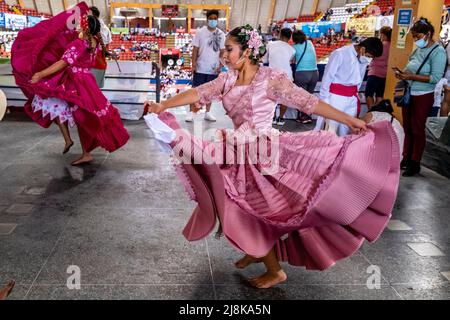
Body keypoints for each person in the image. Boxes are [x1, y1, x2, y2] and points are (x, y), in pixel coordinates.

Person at [144, 25, 400, 289]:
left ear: (247, 51)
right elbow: (199, 91)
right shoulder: (228, 79)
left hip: (265, 153)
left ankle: (273, 268)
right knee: (244, 205)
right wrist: (163, 104)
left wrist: (349, 119)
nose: (225, 54)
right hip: (238, 150)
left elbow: (307, 102)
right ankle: (257, 249)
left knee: (251, 210)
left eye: (230, 49)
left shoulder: (270, 78)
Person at [11, 2, 129, 165]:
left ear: (85, 27)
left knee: (77, 113)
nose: (77, 25)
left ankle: (82, 150)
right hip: (86, 81)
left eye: (81, 23)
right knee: (82, 114)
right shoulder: (93, 41)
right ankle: (78, 146)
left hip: (76, 83)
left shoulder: (79, 43)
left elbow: (62, 63)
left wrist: (40, 74)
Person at [394, 18, 446, 176]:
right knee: (407, 127)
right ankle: (406, 157)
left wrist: (412, 77)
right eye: (414, 36)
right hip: (409, 92)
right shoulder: (417, 50)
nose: (416, 39)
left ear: (428, 34)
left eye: (418, 36)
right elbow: (411, 65)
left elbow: (435, 77)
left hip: (423, 95)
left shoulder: (438, 52)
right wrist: (402, 74)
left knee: (417, 129)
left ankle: (415, 162)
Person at [315, 37, 383, 136]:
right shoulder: (340, 53)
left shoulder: (363, 59)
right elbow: (328, 76)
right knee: (331, 128)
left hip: (352, 97)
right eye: (369, 56)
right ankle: (328, 150)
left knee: (348, 129)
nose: (369, 59)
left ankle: (345, 150)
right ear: (363, 49)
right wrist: (324, 99)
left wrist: (355, 94)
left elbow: (358, 80)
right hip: (336, 97)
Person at [186, 9, 225, 122]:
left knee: (210, 92)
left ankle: (207, 112)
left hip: (213, 69)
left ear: (217, 20)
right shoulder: (200, 32)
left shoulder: (221, 34)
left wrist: (220, 65)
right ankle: (191, 113)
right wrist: (193, 64)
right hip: (200, 67)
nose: (213, 20)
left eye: (215, 19)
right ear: (207, 19)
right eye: (211, 18)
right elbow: (195, 49)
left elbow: (222, 51)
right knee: (195, 91)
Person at [263, 28, 295, 126]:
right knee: (284, 99)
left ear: (280, 34)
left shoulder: (270, 44)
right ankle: (280, 119)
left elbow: (264, 60)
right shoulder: (292, 49)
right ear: (290, 37)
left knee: (271, 98)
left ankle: (272, 118)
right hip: (287, 76)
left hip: (273, 75)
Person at [292, 30, 318, 124]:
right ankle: (308, 115)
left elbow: (291, 60)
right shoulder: (310, 43)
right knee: (309, 97)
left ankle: (303, 117)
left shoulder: (293, 47)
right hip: (315, 73)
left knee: (301, 96)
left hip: (302, 73)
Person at [365, 26, 391, 109]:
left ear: (384, 35)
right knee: (379, 95)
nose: (381, 37)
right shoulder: (392, 45)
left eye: (381, 35)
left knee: (369, 94)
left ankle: (372, 113)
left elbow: (372, 55)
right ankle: (378, 114)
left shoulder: (381, 45)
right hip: (385, 74)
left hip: (375, 72)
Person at [89, 6, 112, 88]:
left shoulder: (100, 29)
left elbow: (106, 46)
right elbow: (107, 46)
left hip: (95, 63)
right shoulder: (105, 29)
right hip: (99, 63)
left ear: (93, 15)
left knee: (92, 90)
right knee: (95, 91)